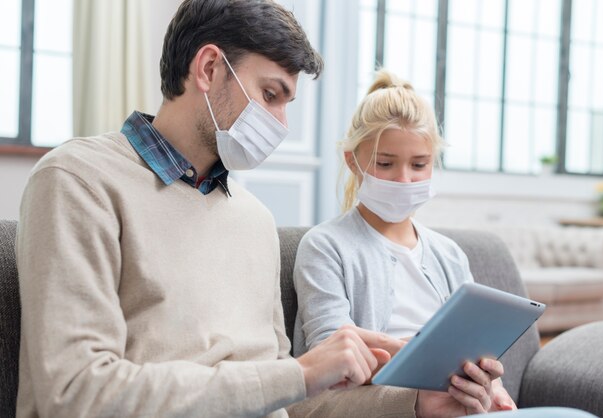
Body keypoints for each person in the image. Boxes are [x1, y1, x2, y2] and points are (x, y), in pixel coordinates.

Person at [15, 1, 406, 417]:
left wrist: (417, 402)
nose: (282, 124)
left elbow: (287, 397)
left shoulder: (255, 220)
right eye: (270, 95)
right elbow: (77, 393)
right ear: (208, 69)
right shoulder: (79, 181)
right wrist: (300, 374)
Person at [289, 70, 598, 417]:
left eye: (419, 164)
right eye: (385, 163)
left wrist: (491, 388)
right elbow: (331, 355)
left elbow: (475, 347)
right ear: (353, 161)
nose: (404, 179)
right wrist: (424, 360)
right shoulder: (325, 246)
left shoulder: (448, 254)